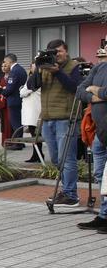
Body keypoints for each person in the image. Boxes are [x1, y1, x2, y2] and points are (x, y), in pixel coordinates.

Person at [27, 38, 85, 210]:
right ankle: (66, 191)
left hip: (66, 118)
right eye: (52, 52)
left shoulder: (74, 67)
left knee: (67, 159)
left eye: (59, 51)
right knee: (56, 159)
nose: (56, 55)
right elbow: (32, 86)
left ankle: (71, 195)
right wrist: (37, 69)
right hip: (48, 119)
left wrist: (58, 72)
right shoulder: (44, 66)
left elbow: (75, 87)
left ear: (66, 51)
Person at [76, 45, 107, 230]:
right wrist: (97, 96)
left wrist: (95, 89)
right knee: (100, 175)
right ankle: (104, 215)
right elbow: (80, 90)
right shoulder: (99, 67)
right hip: (100, 132)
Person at [1, 54, 28, 147]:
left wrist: (3, 92)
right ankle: (19, 142)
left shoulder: (14, 71)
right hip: (19, 99)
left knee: (15, 123)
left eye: (5, 62)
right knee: (18, 122)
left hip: (14, 100)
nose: (5, 64)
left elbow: (10, 88)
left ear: (9, 61)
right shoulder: (21, 69)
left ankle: (18, 143)